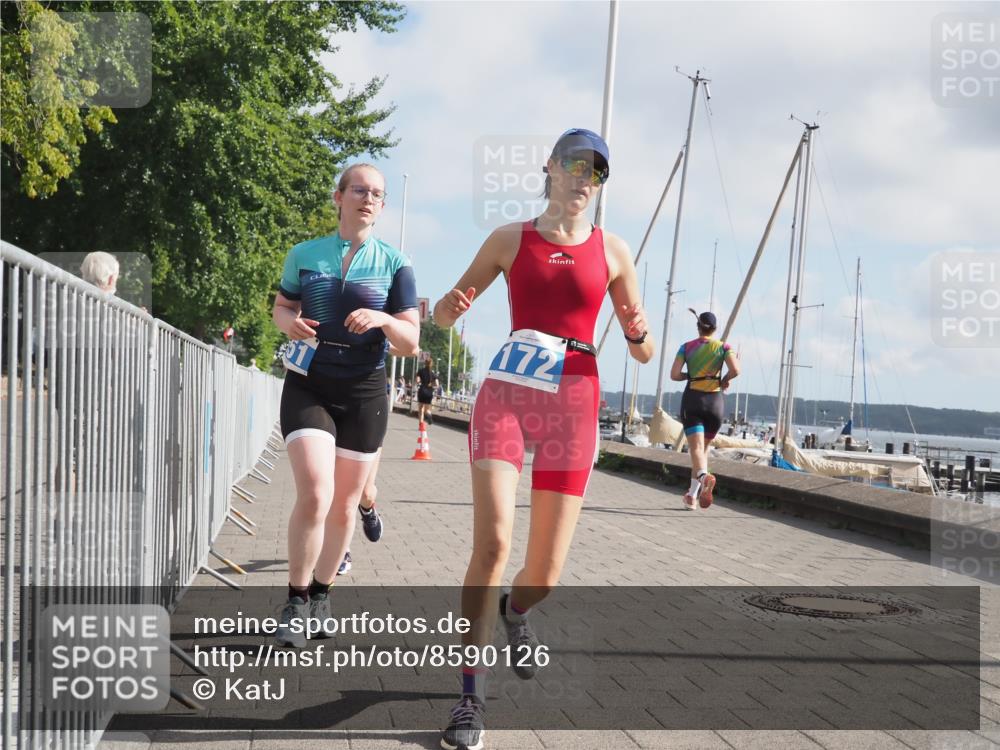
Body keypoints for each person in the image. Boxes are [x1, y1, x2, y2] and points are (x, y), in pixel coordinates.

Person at [432, 128, 653, 750]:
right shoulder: (509, 239)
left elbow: (645, 352)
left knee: (546, 573)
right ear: (551, 168)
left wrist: (637, 331)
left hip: (575, 402)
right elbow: (447, 313)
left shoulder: (613, 250)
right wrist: (450, 306)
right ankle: (469, 698)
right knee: (494, 543)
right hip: (508, 392)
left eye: (597, 172)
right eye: (577, 165)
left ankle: (517, 612)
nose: (586, 179)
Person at [271, 163, 418, 647]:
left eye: (377, 192)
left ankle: (321, 593)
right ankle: (294, 600)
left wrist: (381, 318)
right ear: (339, 197)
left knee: (345, 505)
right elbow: (282, 307)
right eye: (359, 189)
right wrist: (287, 322)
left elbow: (410, 341)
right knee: (316, 492)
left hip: (363, 391)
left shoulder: (396, 264)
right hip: (309, 381)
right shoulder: (305, 254)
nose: (368, 198)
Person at [669, 309, 741, 510]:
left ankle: (704, 476)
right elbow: (736, 370)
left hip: (694, 399)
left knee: (696, 449)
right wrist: (724, 380)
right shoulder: (724, 347)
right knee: (702, 451)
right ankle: (692, 496)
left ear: (698, 327)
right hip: (715, 403)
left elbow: (674, 375)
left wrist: (690, 376)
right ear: (715, 328)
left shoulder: (686, 347)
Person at [416, 355, 439, 424]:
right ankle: (429, 414)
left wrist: (421, 381)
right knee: (427, 409)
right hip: (429, 392)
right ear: (431, 364)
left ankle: (421, 424)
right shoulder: (433, 374)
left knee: (421, 408)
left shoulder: (420, 371)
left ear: (425, 363)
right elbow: (437, 385)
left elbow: (417, 381)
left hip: (422, 391)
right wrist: (431, 385)